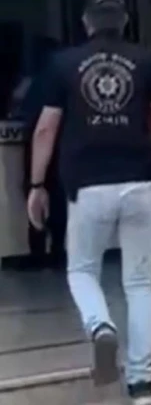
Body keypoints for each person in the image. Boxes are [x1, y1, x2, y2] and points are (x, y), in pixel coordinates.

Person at [26, 0, 151, 404]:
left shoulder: (62, 64)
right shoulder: (146, 60)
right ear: (124, 21)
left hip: (88, 185)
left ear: (86, 22)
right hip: (140, 181)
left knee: (82, 270)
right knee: (139, 282)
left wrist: (36, 185)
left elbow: (46, 129)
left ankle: (100, 326)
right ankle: (141, 384)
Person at [20, 36, 67, 270]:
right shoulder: (64, 78)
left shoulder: (35, 82)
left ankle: (37, 253)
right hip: (62, 147)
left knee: (35, 197)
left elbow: (25, 112)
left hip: (36, 146)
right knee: (59, 201)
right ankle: (58, 251)